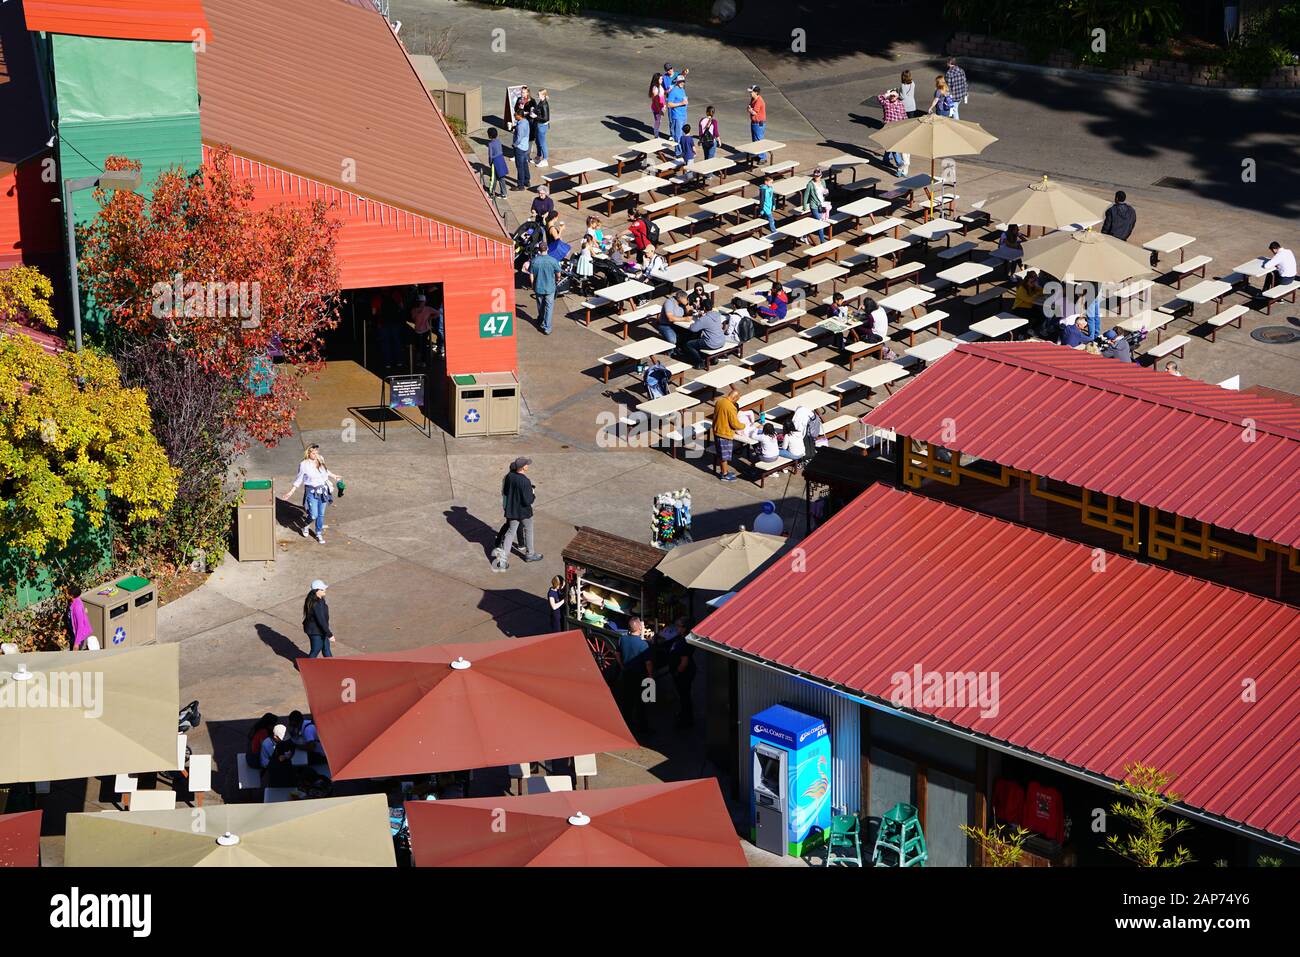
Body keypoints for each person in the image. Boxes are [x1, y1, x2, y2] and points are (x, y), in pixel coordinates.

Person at [282, 444, 341, 544]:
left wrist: (334, 476)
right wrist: (290, 492)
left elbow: (325, 471)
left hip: (323, 491)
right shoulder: (304, 464)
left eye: (316, 452)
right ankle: (305, 525)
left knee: (321, 515)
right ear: (308, 453)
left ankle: (318, 533)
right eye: (313, 453)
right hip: (311, 491)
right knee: (313, 514)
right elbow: (299, 479)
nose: (316, 455)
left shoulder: (320, 459)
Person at [494, 456, 542, 570]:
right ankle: (530, 554)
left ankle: (502, 561)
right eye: (526, 464)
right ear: (523, 467)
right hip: (524, 512)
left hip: (512, 510)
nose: (528, 466)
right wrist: (533, 494)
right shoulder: (525, 481)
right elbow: (528, 500)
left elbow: (506, 491)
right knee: (529, 530)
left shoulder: (510, 476)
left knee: (510, 533)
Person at [617, 618, 654, 734]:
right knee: (642, 703)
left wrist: (622, 665)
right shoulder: (643, 645)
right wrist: (650, 676)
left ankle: (627, 724)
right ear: (639, 628)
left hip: (627, 674)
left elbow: (617, 654)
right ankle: (643, 728)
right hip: (640, 677)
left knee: (627, 701)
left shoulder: (622, 639)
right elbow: (648, 663)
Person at [665, 623, 696, 729]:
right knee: (683, 696)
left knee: (684, 697)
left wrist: (677, 672)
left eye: (679, 626)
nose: (677, 628)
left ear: (684, 628)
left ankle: (686, 720)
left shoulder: (684, 643)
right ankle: (684, 715)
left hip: (683, 674)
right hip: (683, 673)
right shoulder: (681, 639)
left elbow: (684, 662)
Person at [712, 386, 744, 481]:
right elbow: (735, 424)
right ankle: (724, 474)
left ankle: (725, 471)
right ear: (734, 398)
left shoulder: (719, 401)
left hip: (717, 430)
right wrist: (744, 426)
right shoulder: (731, 407)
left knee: (722, 454)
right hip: (724, 433)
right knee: (724, 456)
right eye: (737, 400)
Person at [679, 307, 726, 371]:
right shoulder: (717, 315)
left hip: (711, 343)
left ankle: (699, 362)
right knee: (699, 341)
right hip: (721, 341)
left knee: (688, 344)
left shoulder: (704, 318)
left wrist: (698, 320)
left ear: (704, 308)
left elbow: (693, 329)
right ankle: (713, 358)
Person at [876, 88, 908, 175]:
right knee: (893, 146)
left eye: (894, 96)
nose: (892, 97)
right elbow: (879, 98)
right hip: (888, 127)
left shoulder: (901, 104)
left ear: (897, 96)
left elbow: (904, 116)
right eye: (891, 96)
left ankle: (886, 160)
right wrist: (887, 94)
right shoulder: (886, 103)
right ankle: (899, 164)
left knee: (890, 145)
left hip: (897, 128)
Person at [529, 248, 559, 335]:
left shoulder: (534, 261)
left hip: (538, 287)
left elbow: (531, 275)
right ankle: (547, 328)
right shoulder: (553, 260)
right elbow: (558, 273)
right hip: (550, 287)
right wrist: (557, 279)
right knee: (549, 308)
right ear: (547, 249)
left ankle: (540, 319)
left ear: (539, 249)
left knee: (540, 305)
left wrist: (532, 285)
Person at [302, 580, 335, 658]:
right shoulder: (316, 604)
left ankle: (332, 666)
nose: (325, 590)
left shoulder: (320, 599)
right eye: (322, 589)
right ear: (317, 591)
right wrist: (330, 635)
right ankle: (307, 666)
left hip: (321, 630)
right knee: (316, 649)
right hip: (315, 632)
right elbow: (321, 621)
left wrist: (326, 632)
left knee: (326, 648)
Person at [801, 168, 830, 244]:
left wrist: (826, 192)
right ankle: (822, 241)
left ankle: (804, 234)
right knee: (820, 223)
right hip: (814, 206)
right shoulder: (810, 184)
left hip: (822, 205)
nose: (816, 177)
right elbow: (806, 196)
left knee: (818, 222)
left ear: (821, 176)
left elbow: (824, 192)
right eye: (815, 176)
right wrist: (804, 206)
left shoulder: (823, 182)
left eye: (818, 176)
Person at [485, 128, 509, 198]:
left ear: (489, 135)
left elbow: (490, 155)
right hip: (501, 159)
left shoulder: (490, 144)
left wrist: (490, 163)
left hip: (495, 161)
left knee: (493, 178)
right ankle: (504, 194)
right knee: (501, 177)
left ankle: (491, 193)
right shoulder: (499, 141)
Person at [666, 75, 689, 146]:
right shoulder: (673, 91)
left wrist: (685, 102)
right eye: (680, 82)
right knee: (678, 136)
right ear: (677, 82)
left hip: (683, 115)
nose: (682, 83)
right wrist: (681, 103)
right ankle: (678, 153)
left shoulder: (682, 90)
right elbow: (669, 104)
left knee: (683, 135)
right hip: (677, 116)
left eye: (683, 82)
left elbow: (684, 99)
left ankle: (682, 150)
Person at [747, 84, 767, 163]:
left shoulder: (759, 101)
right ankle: (758, 155)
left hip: (759, 124)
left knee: (759, 140)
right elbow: (749, 107)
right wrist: (750, 109)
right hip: (754, 122)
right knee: (755, 141)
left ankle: (762, 157)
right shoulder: (753, 99)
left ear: (756, 92)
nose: (750, 93)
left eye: (751, 92)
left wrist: (750, 110)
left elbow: (754, 112)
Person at [511, 109, 531, 189]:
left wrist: (514, 145)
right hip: (525, 147)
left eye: (515, 115)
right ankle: (526, 180)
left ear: (519, 116)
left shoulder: (520, 126)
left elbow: (519, 138)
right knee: (524, 164)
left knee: (520, 167)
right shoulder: (525, 121)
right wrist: (515, 127)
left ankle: (520, 185)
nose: (514, 116)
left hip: (520, 148)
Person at [533, 88, 551, 167]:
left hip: (542, 126)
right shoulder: (541, 102)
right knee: (538, 141)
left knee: (542, 142)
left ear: (543, 95)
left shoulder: (544, 105)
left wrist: (535, 116)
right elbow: (539, 112)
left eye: (539, 94)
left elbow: (546, 118)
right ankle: (538, 156)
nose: (538, 95)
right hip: (538, 124)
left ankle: (545, 159)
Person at [758, 173, 778, 239]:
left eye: (772, 182)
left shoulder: (770, 188)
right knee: (771, 219)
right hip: (765, 206)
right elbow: (762, 199)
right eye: (770, 182)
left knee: (764, 218)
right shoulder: (763, 189)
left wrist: (774, 204)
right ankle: (774, 231)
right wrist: (761, 208)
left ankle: (758, 226)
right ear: (766, 182)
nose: (771, 184)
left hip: (769, 205)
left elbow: (772, 197)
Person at [649, 71, 666, 137]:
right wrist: (659, 110)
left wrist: (664, 105)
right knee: (658, 121)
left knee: (659, 121)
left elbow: (662, 95)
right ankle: (656, 135)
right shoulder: (655, 88)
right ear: (657, 80)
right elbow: (656, 101)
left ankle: (656, 133)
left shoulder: (660, 86)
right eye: (661, 79)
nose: (662, 80)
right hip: (657, 108)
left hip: (660, 106)